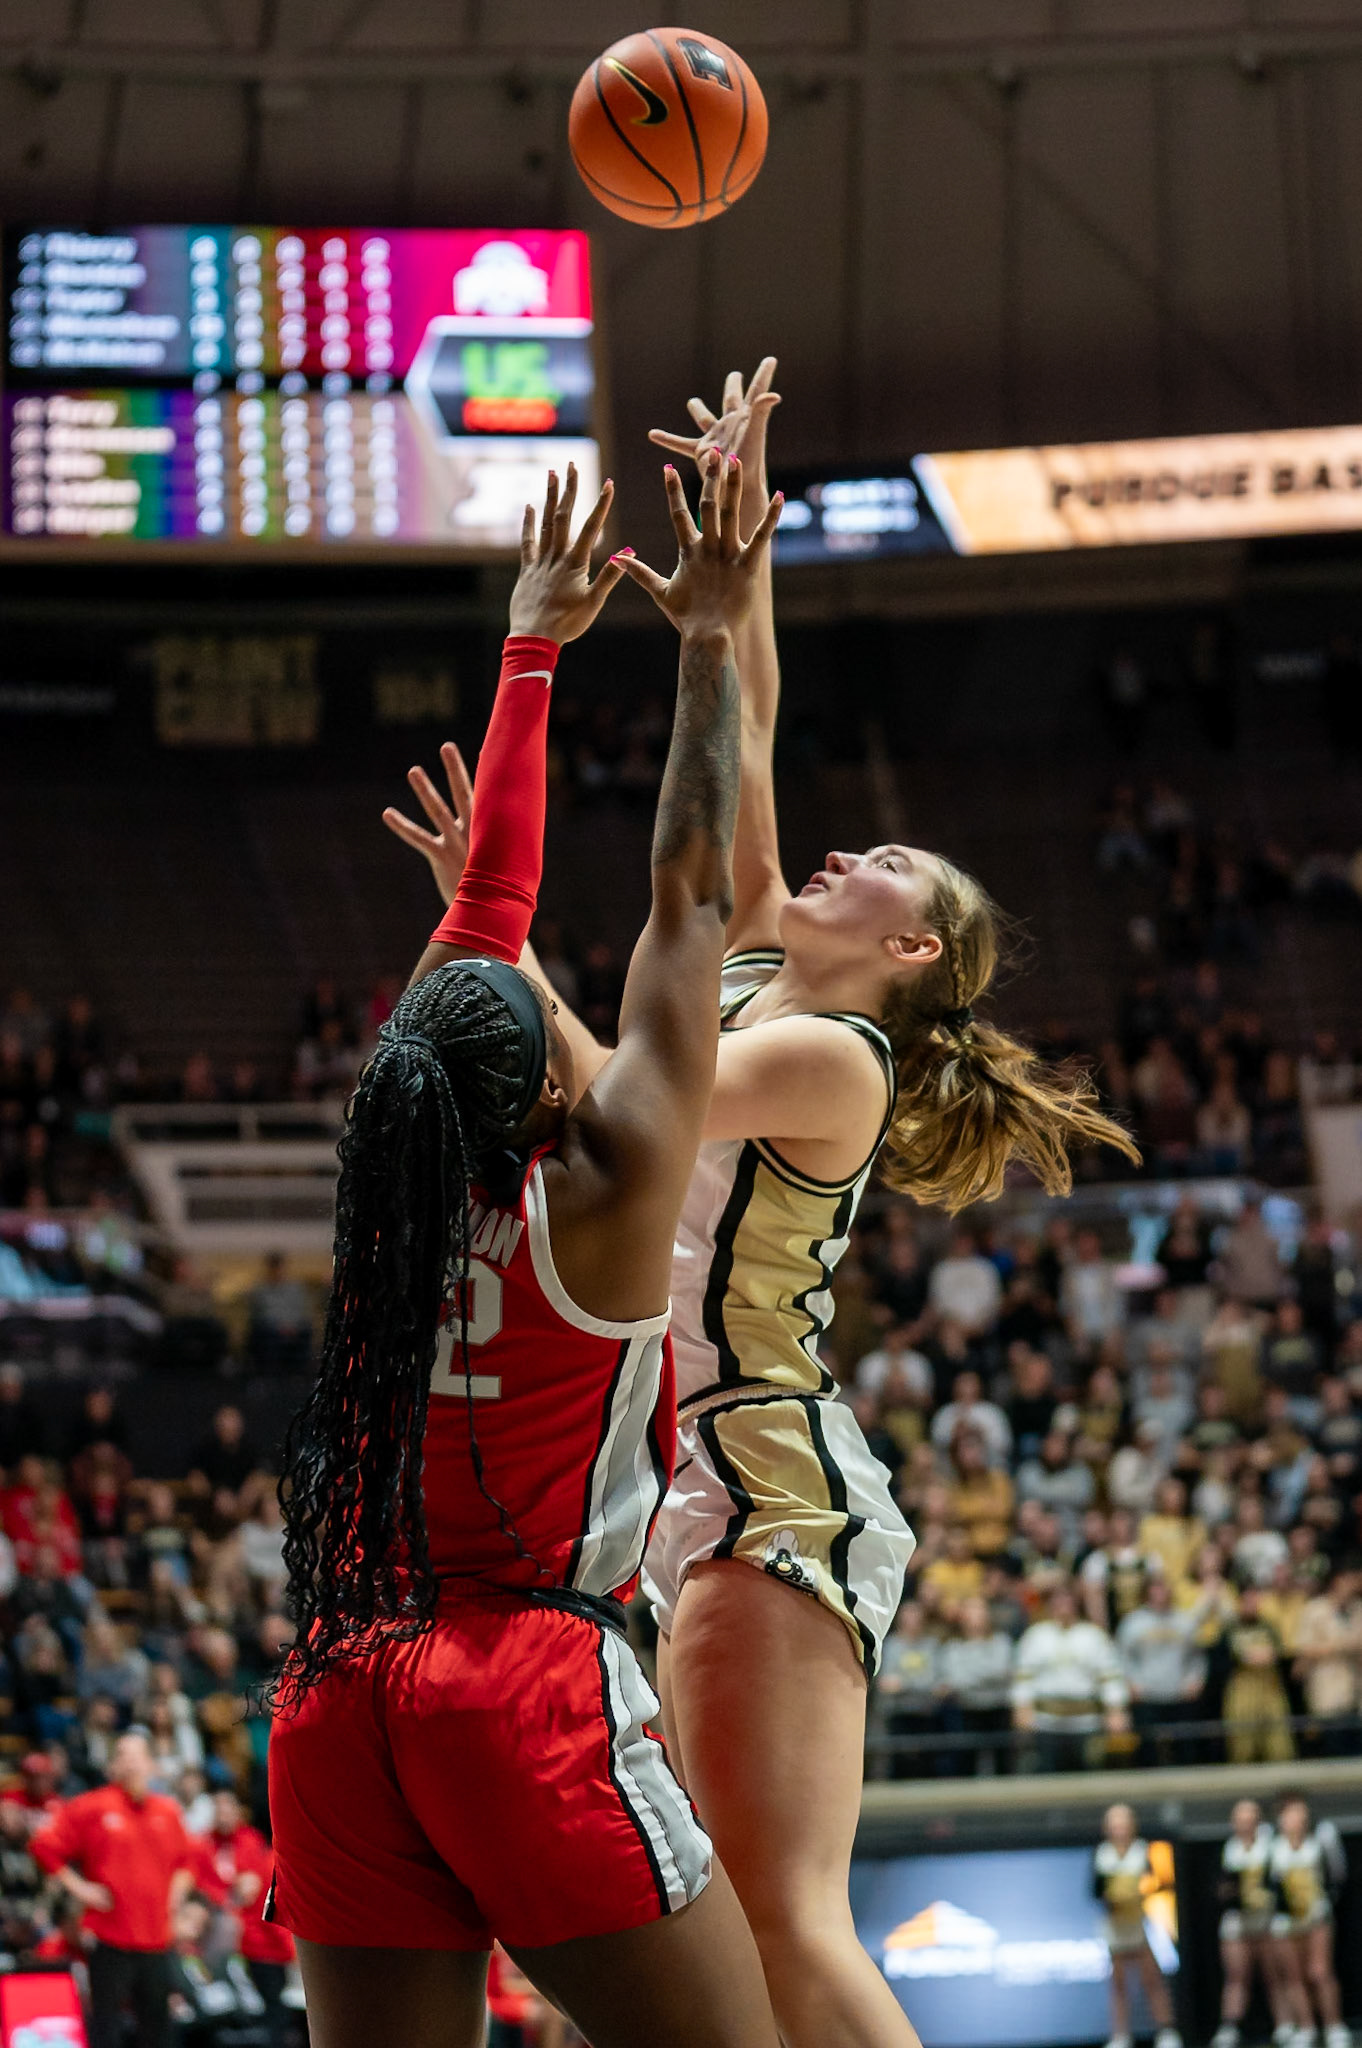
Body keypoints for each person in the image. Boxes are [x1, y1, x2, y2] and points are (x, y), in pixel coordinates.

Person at [388, 365, 1137, 2048]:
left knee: (780, 1924)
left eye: (875, 864)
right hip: (675, 1482)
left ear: (911, 948)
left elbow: (607, 1094)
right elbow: (758, 726)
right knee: (683, 1938)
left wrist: (489, 924)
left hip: (758, 1478)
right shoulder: (750, 974)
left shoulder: (836, 1056)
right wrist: (746, 545)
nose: (833, 858)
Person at [270, 461, 785, 2048]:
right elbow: (689, 899)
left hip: (343, 1687)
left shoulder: (387, 1199)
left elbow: (483, 924)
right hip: (526, 1685)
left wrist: (529, 652)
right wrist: (702, 637)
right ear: (553, 1083)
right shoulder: (610, 1186)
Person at [31, 1729, 197, 2048]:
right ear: (113, 1765)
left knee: (158, 2028)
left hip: (157, 1939)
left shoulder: (167, 1811)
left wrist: (175, 1898)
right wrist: (80, 1888)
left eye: (137, 1756)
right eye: (123, 1755)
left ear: (151, 1764)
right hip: (109, 1938)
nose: (131, 1763)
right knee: (107, 2028)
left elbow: (187, 1863)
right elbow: (44, 1845)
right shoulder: (91, 1807)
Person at [1092, 1802, 1181, 2048]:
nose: (1119, 1829)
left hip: (1139, 1924)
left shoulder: (1143, 1851)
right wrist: (1114, 1899)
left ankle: (1166, 2032)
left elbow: (1160, 1884)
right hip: (1115, 1926)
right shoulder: (1101, 1855)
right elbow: (1095, 1892)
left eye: (1123, 1823)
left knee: (1152, 1979)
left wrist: (1139, 1896)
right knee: (1118, 1983)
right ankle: (1120, 2035)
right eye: (1114, 1824)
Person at [1268, 1795, 1349, 2048]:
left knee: (1320, 1972)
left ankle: (1334, 2025)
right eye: (1290, 1815)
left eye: (1299, 1815)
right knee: (1294, 1976)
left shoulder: (1320, 1840)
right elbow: (1266, 1884)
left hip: (1316, 1916)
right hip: (1285, 1921)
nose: (1295, 1820)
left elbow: (1337, 1875)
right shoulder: (1272, 1845)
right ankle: (1306, 2027)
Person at [1212, 1799, 1291, 2048]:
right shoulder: (1228, 1849)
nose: (1246, 1825)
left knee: (1275, 1976)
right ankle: (1230, 2027)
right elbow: (1220, 1890)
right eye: (1241, 1820)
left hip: (1266, 1921)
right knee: (1236, 1977)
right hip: (1237, 1923)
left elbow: (1281, 1883)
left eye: (1251, 1819)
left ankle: (1286, 2025)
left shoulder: (1272, 1846)